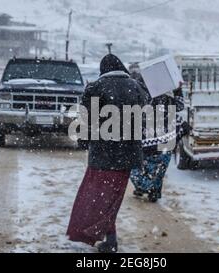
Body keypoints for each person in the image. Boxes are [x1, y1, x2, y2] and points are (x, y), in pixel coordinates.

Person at [67, 54, 150, 253]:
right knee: (112, 199)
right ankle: (108, 238)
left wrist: (84, 142)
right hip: (127, 156)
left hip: (102, 155)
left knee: (96, 198)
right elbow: (144, 122)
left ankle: (101, 236)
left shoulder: (95, 88)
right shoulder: (137, 88)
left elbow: (85, 120)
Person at [129, 64, 186, 202]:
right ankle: (153, 190)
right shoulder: (164, 98)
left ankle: (143, 187)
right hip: (161, 141)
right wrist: (178, 91)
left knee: (139, 168)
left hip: (145, 141)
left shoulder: (140, 98)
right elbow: (180, 105)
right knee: (158, 168)